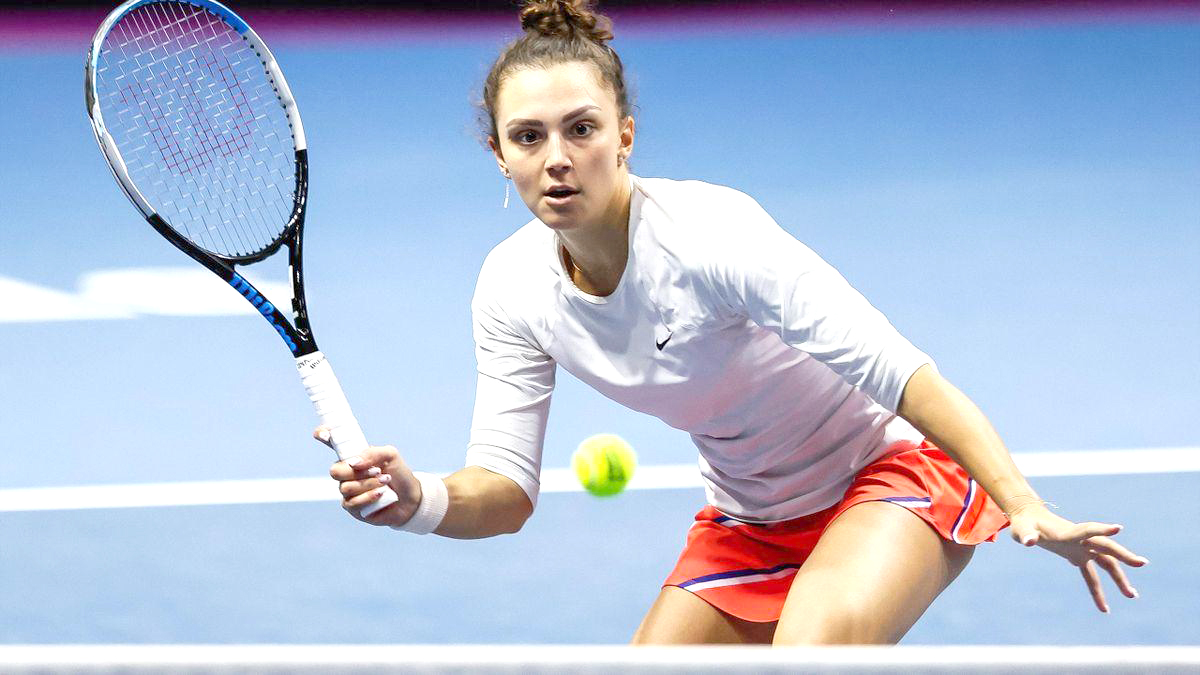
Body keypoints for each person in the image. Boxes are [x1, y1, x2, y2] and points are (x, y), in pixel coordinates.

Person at [318, 0, 1147, 645]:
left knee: (808, 650)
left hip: (885, 473)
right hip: (750, 519)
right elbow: (504, 492)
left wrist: (1022, 500)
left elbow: (903, 375)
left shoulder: (712, 236)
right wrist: (417, 497)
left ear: (625, 136)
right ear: (500, 156)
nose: (558, 157)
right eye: (528, 137)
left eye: (582, 129)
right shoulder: (510, 287)